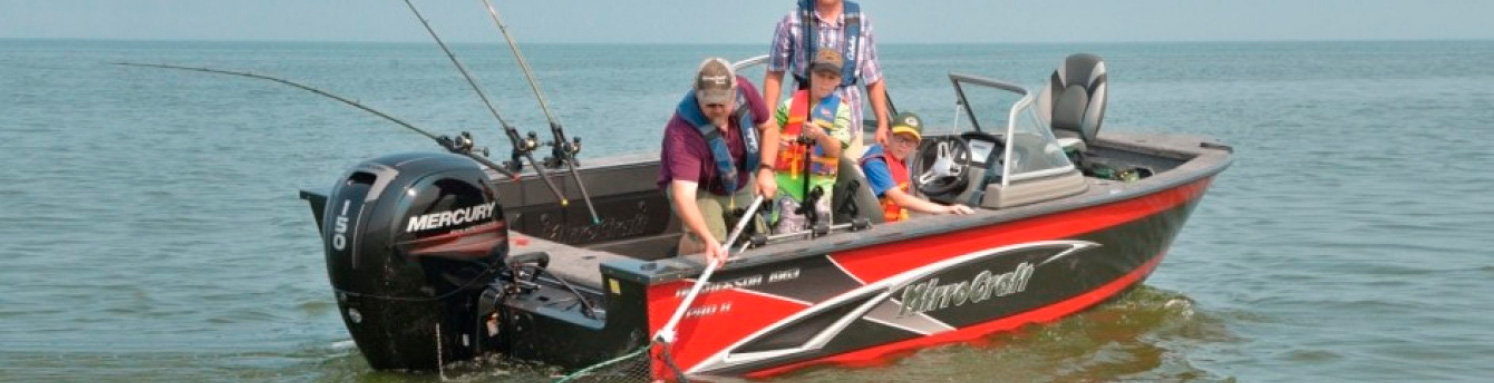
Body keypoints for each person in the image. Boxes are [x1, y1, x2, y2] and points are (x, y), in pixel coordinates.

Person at [659, 57, 780, 266]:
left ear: (734, 94)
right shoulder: (681, 133)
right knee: (710, 239)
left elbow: (769, 127)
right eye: (710, 104)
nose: (717, 110)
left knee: (757, 235)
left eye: (722, 103)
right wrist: (707, 239)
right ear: (697, 97)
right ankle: (680, 267)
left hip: (739, 180)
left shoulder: (746, 92)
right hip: (699, 189)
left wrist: (766, 170)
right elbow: (684, 196)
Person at [765, 0, 891, 158]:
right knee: (799, 180)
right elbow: (775, 73)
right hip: (801, 129)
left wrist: (882, 123)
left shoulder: (861, 23)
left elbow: (873, 78)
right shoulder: (792, 21)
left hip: (849, 128)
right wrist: (768, 124)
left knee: (849, 180)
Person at [770, 50, 853, 234]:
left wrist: (820, 135)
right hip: (787, 186)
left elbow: (835, 151)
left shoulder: (842, 110)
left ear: (838, 81)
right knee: (785, 236)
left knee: (821, 236)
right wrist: (778, 143)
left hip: (820, 187)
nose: (824, 81)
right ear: (810, 74)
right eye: (820, 75)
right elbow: (769, 135)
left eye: (831, 77)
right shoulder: (789, 105)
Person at [860, 112, 975, 222]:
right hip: (878, 228)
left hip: (896, 221)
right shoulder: (875, 163)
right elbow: (899, 199)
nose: (903, 146)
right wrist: (947, 209)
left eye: (909, 141)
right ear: (888, 135)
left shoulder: (903, 160)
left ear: (917, 144)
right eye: (899, 138)